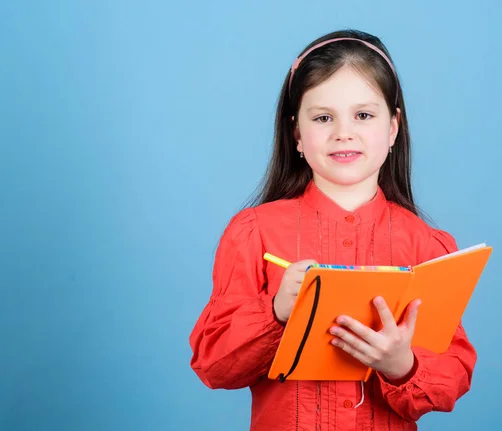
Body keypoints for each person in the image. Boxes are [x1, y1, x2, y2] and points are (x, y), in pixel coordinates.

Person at [189, 29, 477, 431]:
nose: (344, 132)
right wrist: (276, 312)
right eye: (323, 117)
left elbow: (450, 381)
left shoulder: (428, 247)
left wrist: (401, 365)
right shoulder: (252, 232)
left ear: (393, 128)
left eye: (363, 115)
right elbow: (214, 366)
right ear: (297, 134)